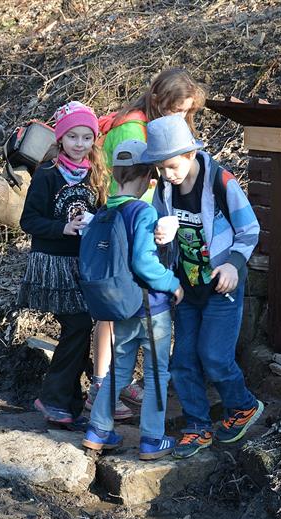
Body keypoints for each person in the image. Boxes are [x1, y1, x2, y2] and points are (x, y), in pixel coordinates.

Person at [87, 68, 207, 417]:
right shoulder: (133, 130)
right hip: (126, 233)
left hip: (136, 228)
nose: (181, 118)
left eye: (187, 112)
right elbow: (123, 185)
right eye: (176, 110)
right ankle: (102, 386)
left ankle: (113, 390)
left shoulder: (151, 128)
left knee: (123, 314)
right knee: (114, 312)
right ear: (157, 101)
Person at [144, 115, 264, 458]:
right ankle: (197, 425)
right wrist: (160, 237)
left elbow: (250, 229)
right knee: (182, 361)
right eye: (160, 168)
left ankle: (243, 405)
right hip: (187, 287)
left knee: (213, 355)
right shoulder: (164, 189)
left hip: (222, 284)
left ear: (190, 154)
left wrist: (233, 264)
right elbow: (158, 230)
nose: (167, 174)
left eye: (171, 166)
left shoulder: (220, 182)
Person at [81, 140, 184, 460]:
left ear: (116, 174)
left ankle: (98, 431)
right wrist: (172, 283)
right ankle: (152, 439)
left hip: (120, 306)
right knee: (156, 374)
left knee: (118, 370)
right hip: (151, 307)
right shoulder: (142, 211)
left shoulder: (105, 210)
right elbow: (143, 262)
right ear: (147, 177)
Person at [18, 101, 108, 430]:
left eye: (87, 137)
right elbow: (28, 221)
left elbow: (103, 211)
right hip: (53, 264)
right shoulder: (47, 174)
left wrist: (97, 224)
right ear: (60, 138)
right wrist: (63, 227)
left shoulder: (95, 174)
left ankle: (69, 406)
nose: (80, 144)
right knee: (79, 324)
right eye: (73, 137)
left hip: (83, 263)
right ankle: (54, 398)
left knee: (79, 328)